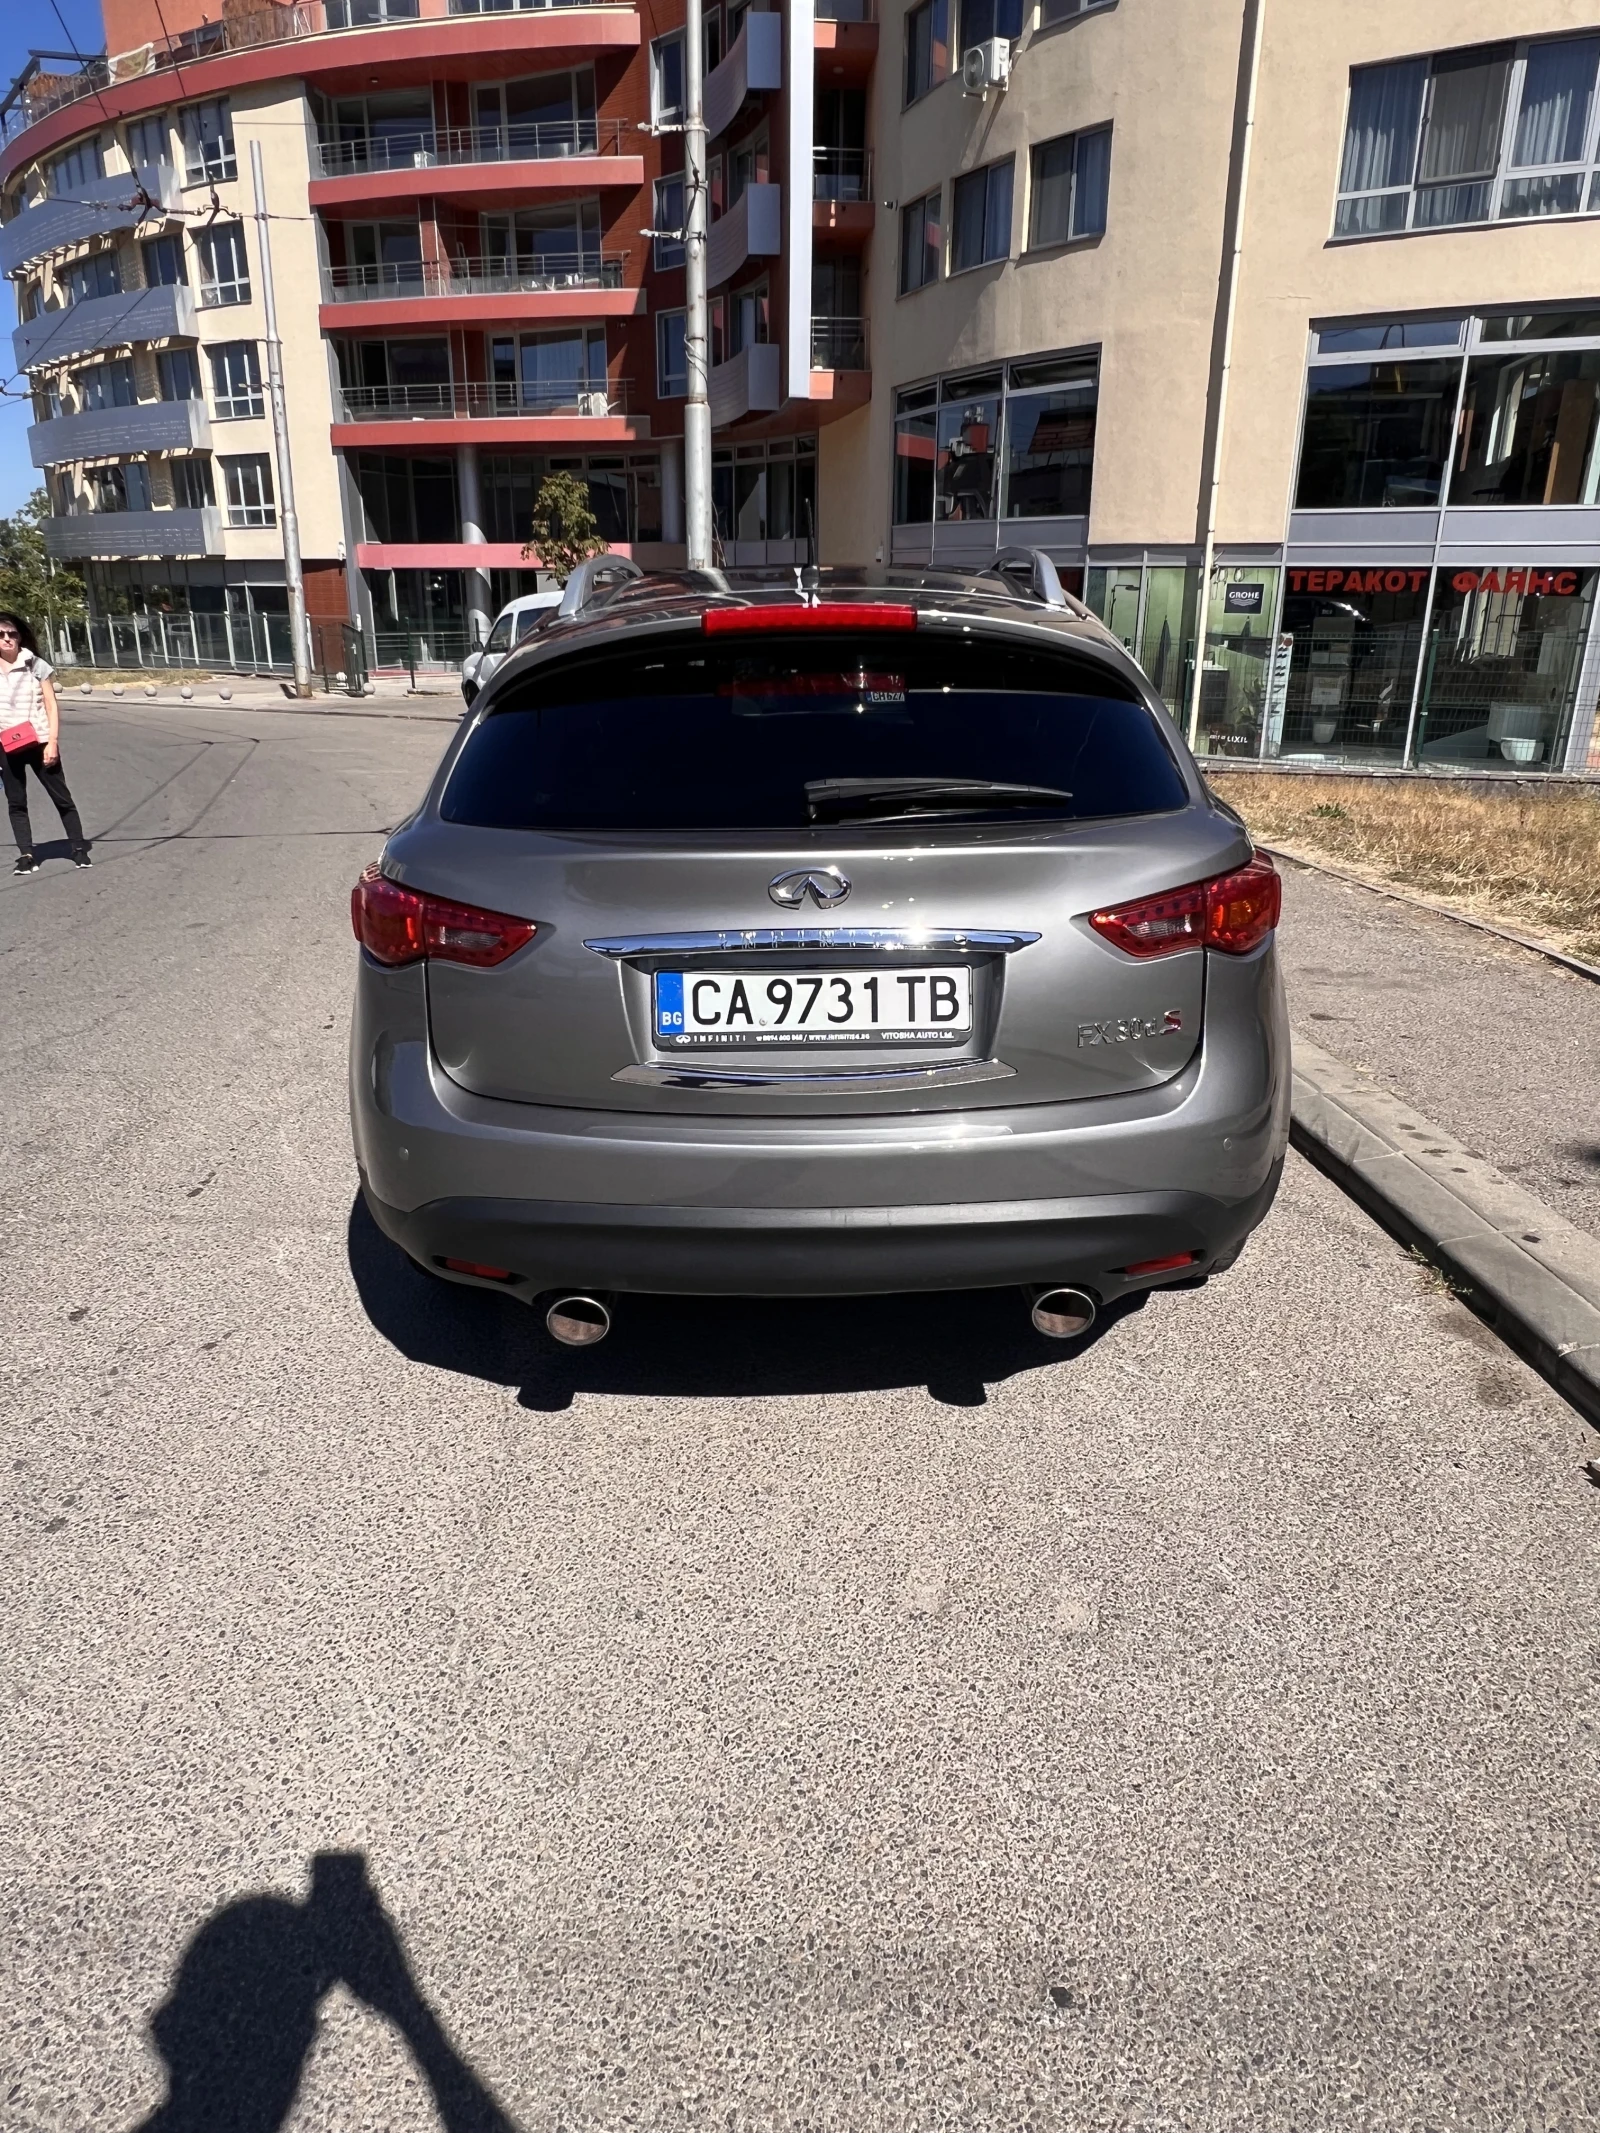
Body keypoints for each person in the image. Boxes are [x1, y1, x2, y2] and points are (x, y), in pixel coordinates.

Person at [0, 609, 90, 874]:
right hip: (7, 746)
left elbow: (51, 704)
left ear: (20, 637)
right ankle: (27, 855)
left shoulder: (35, 664)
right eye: (1, 635)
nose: (7, 639)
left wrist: (52, 741)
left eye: (12, 634)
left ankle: (78, 849)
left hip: (39, 742)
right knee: (16, 802)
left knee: (61, 797)